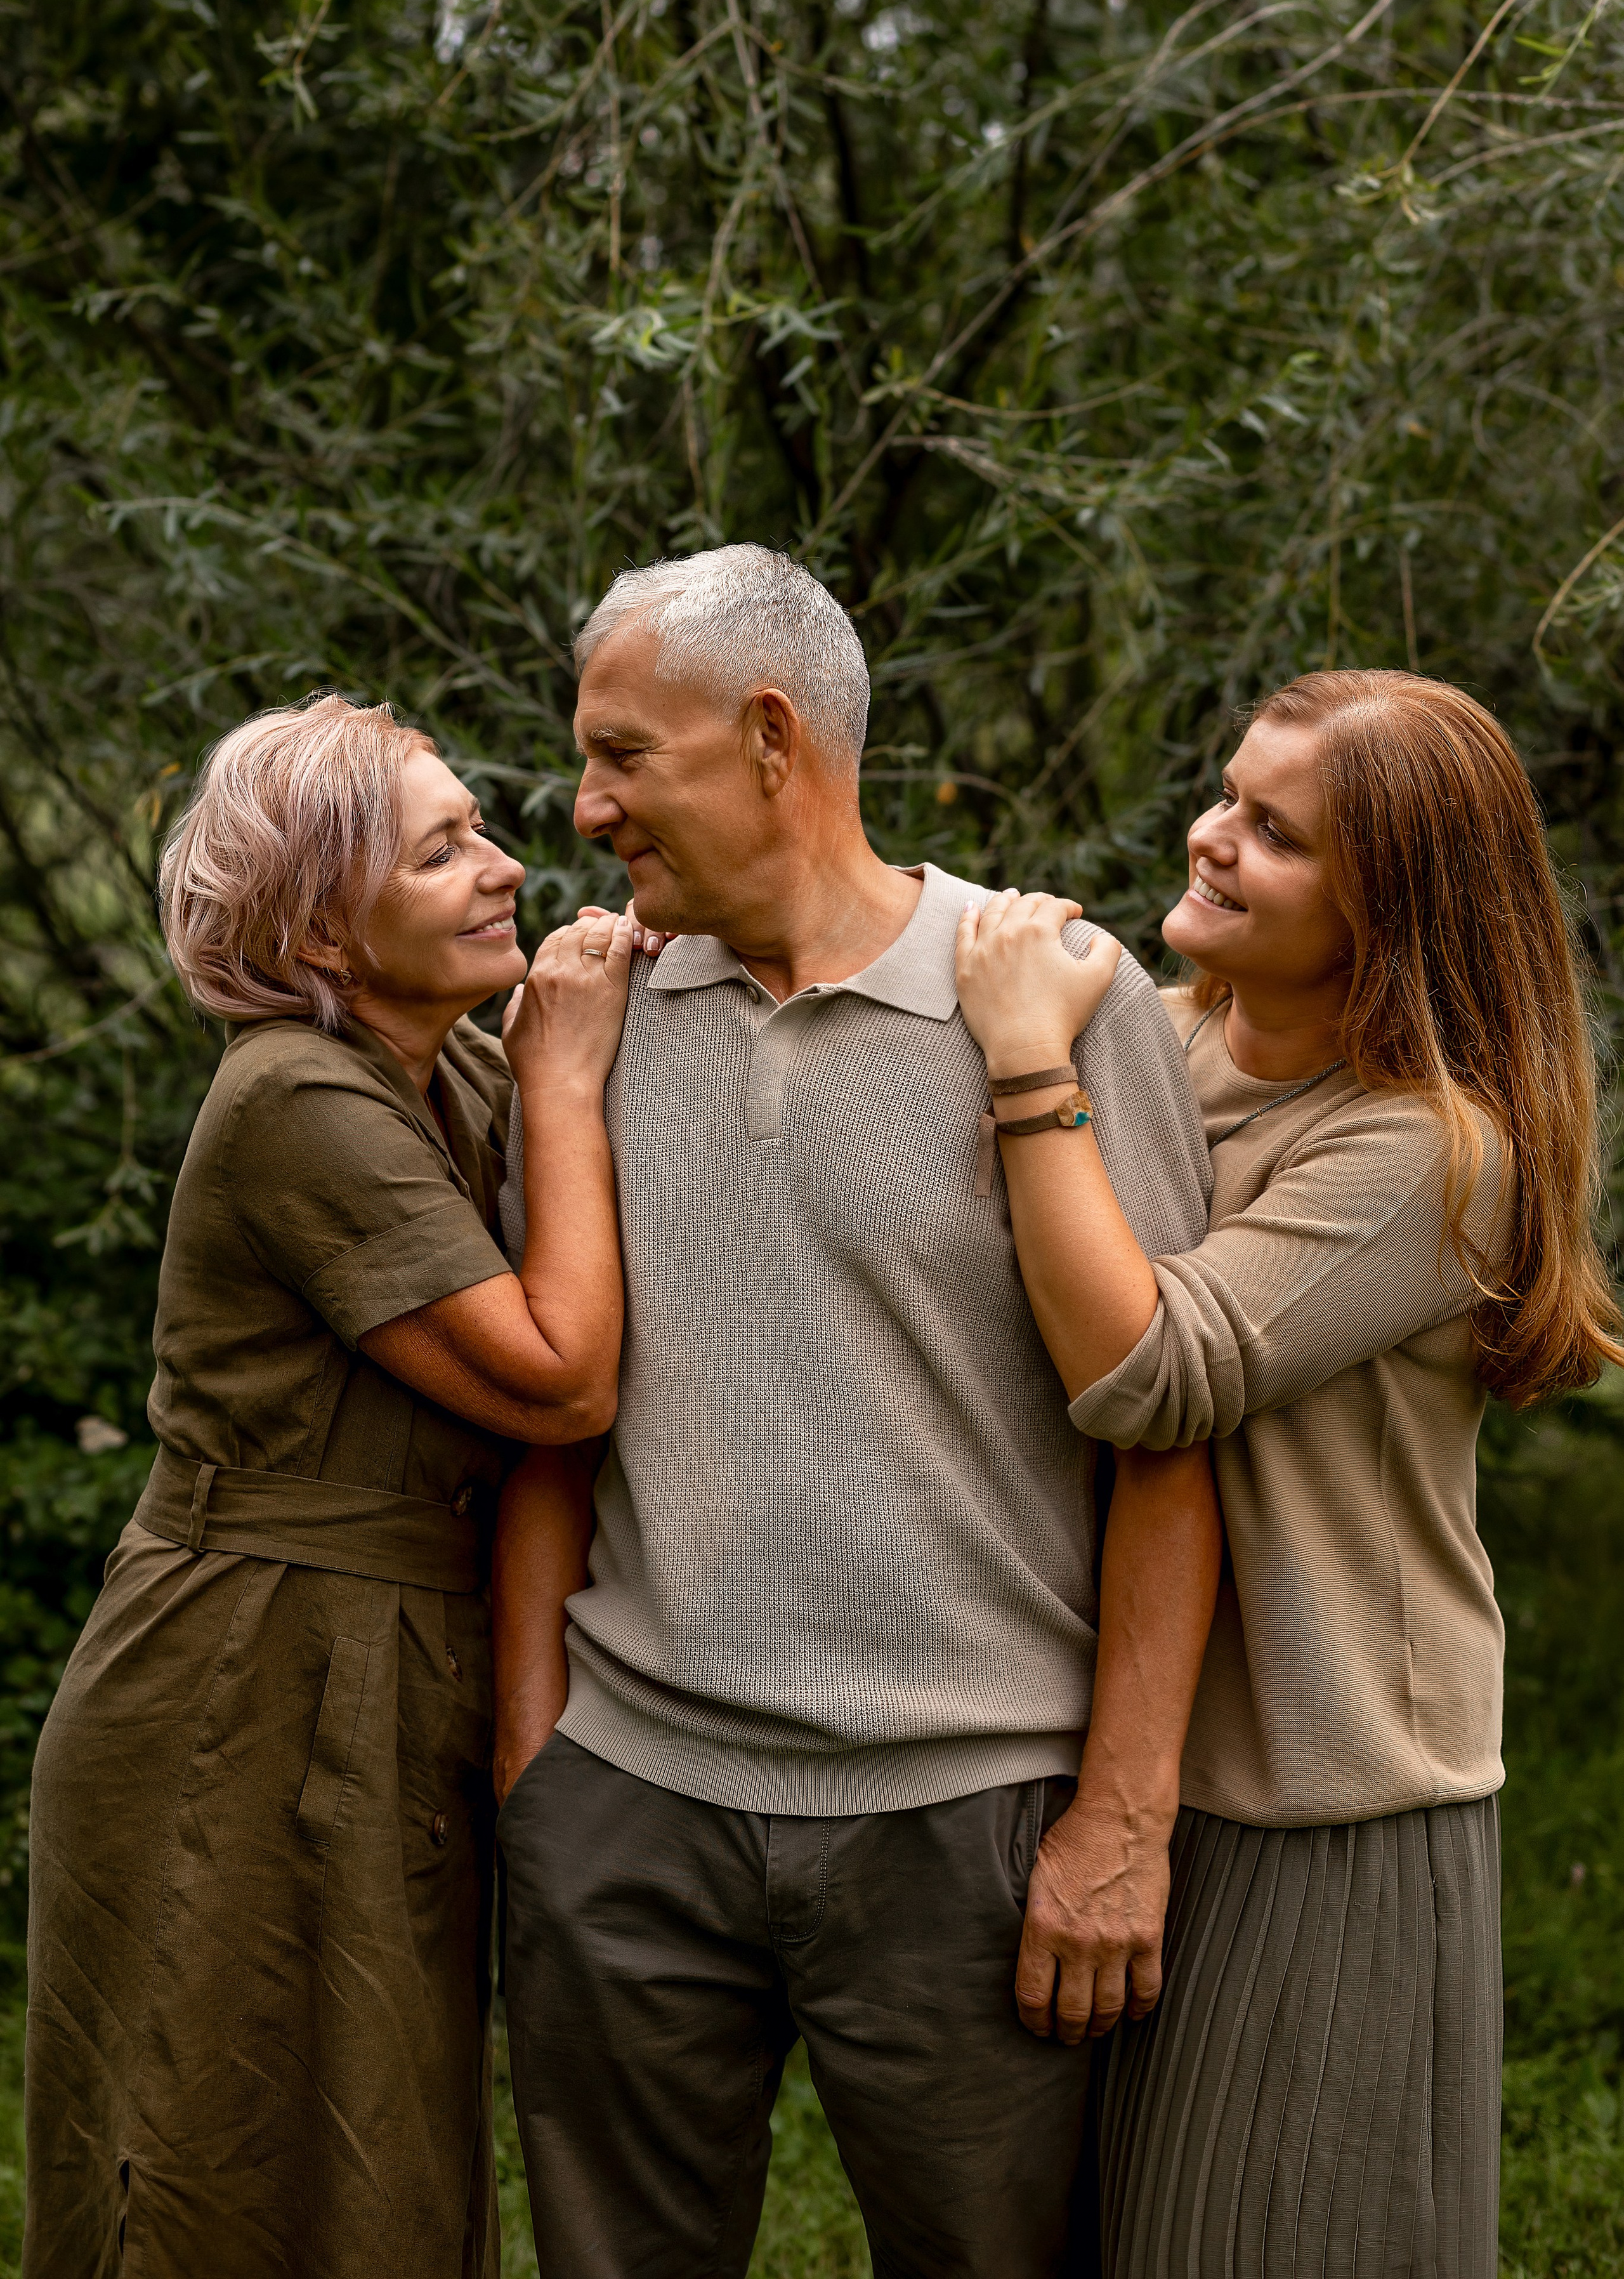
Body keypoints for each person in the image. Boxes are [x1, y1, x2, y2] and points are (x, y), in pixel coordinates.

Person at [493, 544, 1224, 2279]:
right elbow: (547, 1407)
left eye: (622, 756)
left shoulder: (1048, 997)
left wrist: (1121, 1819)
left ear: (768, 736)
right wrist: (539, 1767)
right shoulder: (587, 1019)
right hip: (632, 1797)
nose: (585, 809)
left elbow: (1174, 1438)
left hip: (966, 1822)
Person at [953, 667, 1624, 2279]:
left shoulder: (1424, 1147)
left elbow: (1148, 1375)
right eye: (1226, 794)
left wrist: (1026, 1068)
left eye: (1278, 832)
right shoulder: (1159, 1045)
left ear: (1392, 910)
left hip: (1320, 1800)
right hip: (1114, 1758)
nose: (1212, 839)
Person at [24, 693, 646, 2279]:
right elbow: (561, 1375)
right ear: (324, 923)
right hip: (239, 1677)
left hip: (381, 1658)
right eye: (442, 851)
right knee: (210, 2140)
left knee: (380, 2136)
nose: (504, 866)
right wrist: (567, 1076)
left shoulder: (445, 1076)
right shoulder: (295, 1097)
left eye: (477, 830)